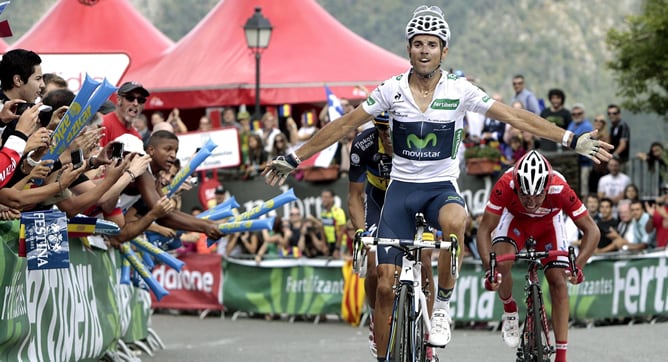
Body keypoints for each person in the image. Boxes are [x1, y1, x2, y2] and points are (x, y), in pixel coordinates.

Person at [262, 5, 611, 356]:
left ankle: (441, 309)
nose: (424, 50)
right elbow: (344, 124)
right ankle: (384, 354)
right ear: (408, 49)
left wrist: (570, 139)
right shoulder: (391, 89)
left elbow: (516, 117)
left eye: (432, 44)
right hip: (400, 192)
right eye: (418, 44)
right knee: (384, 286)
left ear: (444, 50)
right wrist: (295, 157)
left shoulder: (460, 91)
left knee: (456, 221)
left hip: (440, 190)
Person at [476, 150, 598, 362]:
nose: (531, 203)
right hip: (516, 221)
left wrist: (577, 266)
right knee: (502, 265)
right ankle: (510, 309)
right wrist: (491, 270)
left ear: (547, 187)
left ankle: (561, 355)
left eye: (538, 196)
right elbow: (484, 229)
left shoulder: (560, 187)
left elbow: (592, 230)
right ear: (517, 186)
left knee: (558, 282)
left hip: (548, 226)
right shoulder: (506, 184)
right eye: (525, 195)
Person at [100, 81, 149, 147]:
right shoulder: (104, 125)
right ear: (119, 100)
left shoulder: (137, 137)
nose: (136, 103)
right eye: (130, 98)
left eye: (141, 100)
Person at [567, 103, 594, 196]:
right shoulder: (572, 124)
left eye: (579, 113)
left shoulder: (587, 126)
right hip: (573, 161)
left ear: (583, 113)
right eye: (574, 114)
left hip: (584, 162)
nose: (576, 116)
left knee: (583, 185)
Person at [607, 104, 630, 171]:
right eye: (609, 113)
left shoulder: (623, 126)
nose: (611, 115)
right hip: (614, 162)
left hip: (621, 162)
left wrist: (613, 155)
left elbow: (623, 144)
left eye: (614, 113)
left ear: (619, 114)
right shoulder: (613, 127)